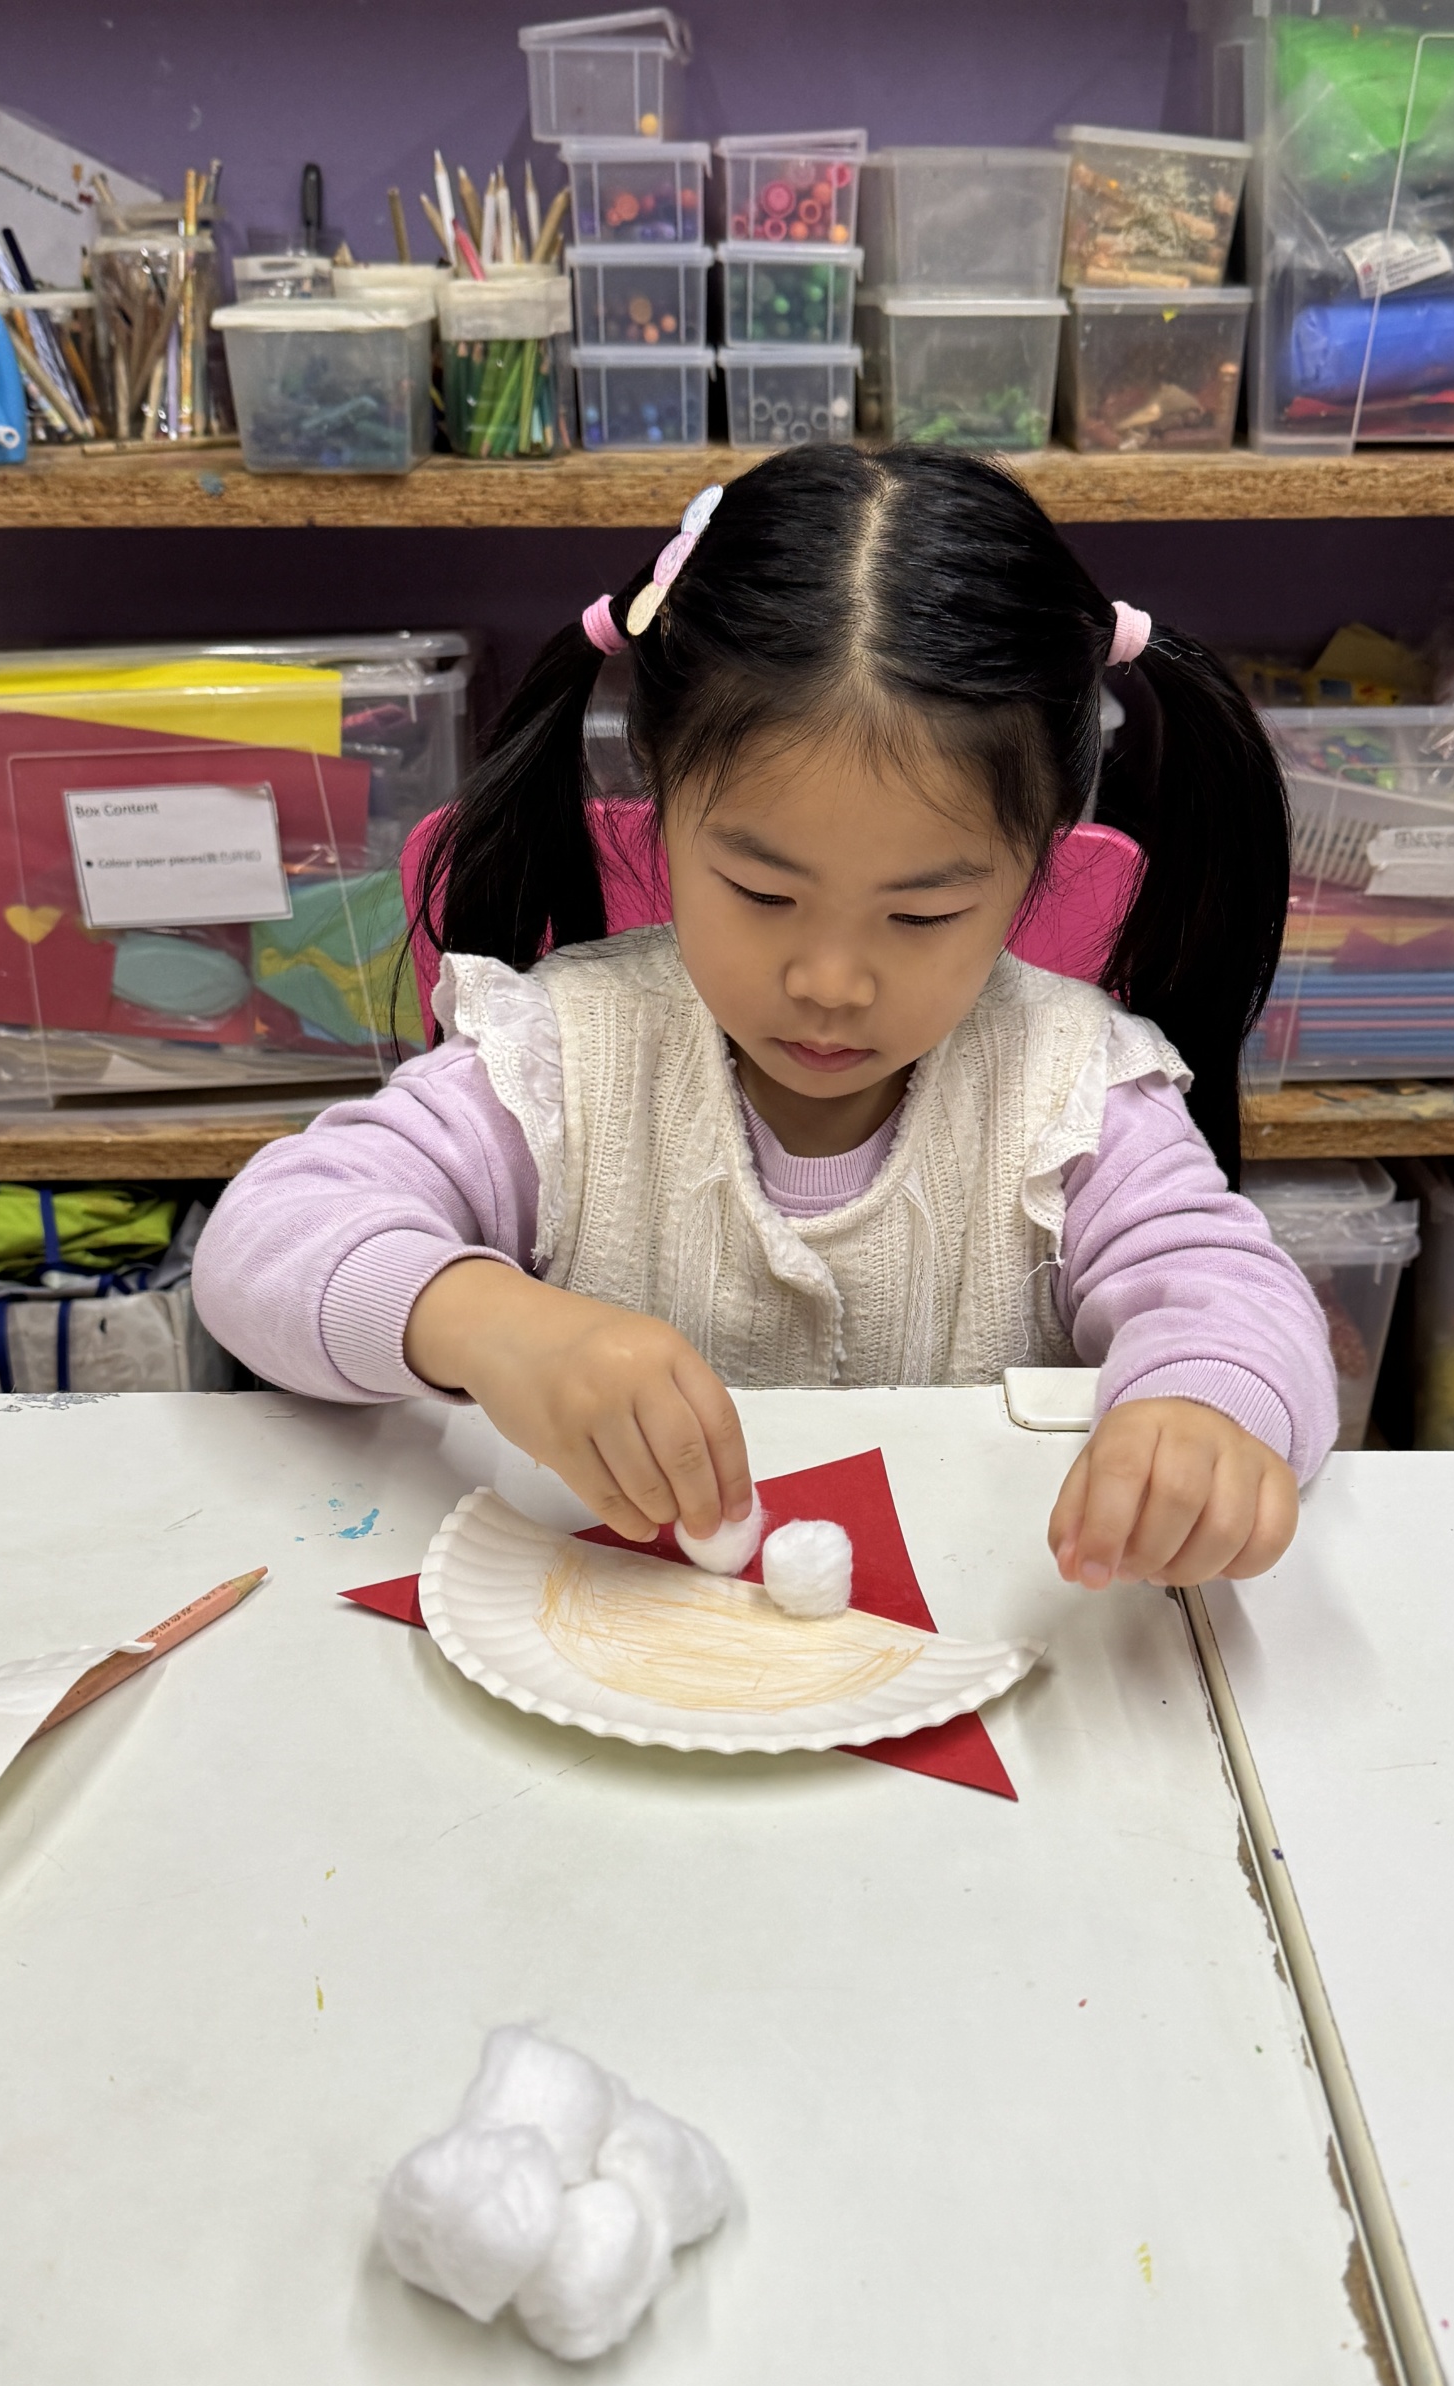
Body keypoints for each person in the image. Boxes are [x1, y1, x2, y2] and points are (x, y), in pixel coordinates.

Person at [193, 445, 1336, 1592]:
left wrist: (1201, 1416)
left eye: (921, 914)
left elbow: (1231, 1294)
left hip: (982, 1649)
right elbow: (267, 1236)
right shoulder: (563, 1057)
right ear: (659, 802)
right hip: (612, 1652)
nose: (831, 981)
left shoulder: (1075, 1091)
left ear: (1036, 860)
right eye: (763, 894)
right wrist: (488, 1324)